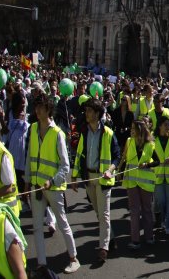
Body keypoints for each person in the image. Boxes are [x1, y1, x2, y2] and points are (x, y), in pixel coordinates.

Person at [25, 95, 80, 274]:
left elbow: (65, 165)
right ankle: (42, 263)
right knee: (37, 226)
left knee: (63, 223)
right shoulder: (32, 129)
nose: (37, 110)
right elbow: (29, 158)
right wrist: (27, 181)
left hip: (53, 188)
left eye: (41, 107)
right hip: (36, 187)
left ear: (48, 109)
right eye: (36, 107)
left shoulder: (58, 133)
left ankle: (73, 258)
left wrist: (52, 181)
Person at [74, 98, 117, 261]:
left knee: (104, 213)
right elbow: (79, 153)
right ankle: (110, 238)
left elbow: (117, 156)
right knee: (99, 213)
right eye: (86, 111)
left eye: (90, 111)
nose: (87, 113)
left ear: (97, 114)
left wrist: (110, 170)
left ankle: (103, 248)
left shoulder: (108, 133)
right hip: (88, 177)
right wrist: (75, 175)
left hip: (103, 178)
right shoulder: (84, 131)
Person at [120, 119, 159, 251]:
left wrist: (147, 164)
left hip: (145, 183)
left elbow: (158, 161)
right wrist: (119, 170)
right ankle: (135, 239)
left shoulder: (150, 144)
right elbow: (124, 158)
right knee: (134, 210)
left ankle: (149, 237)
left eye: (133, 128)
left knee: (147, 210)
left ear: (140, 130)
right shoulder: (129, 141)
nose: (131, 130)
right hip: (132, 181)